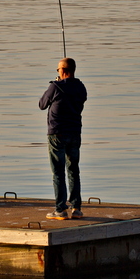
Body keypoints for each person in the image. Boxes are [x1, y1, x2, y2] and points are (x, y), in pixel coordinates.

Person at [39, 57, 87, 220]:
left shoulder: (55, 86)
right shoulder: (80, 87)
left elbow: (42, 104)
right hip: (74, 133)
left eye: (58, 69)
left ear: (63, 70)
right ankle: (76, 208)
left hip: (57, 134)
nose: (57, 72)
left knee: (58, 172)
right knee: (73, 170)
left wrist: (56, 84)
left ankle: (60, 209)